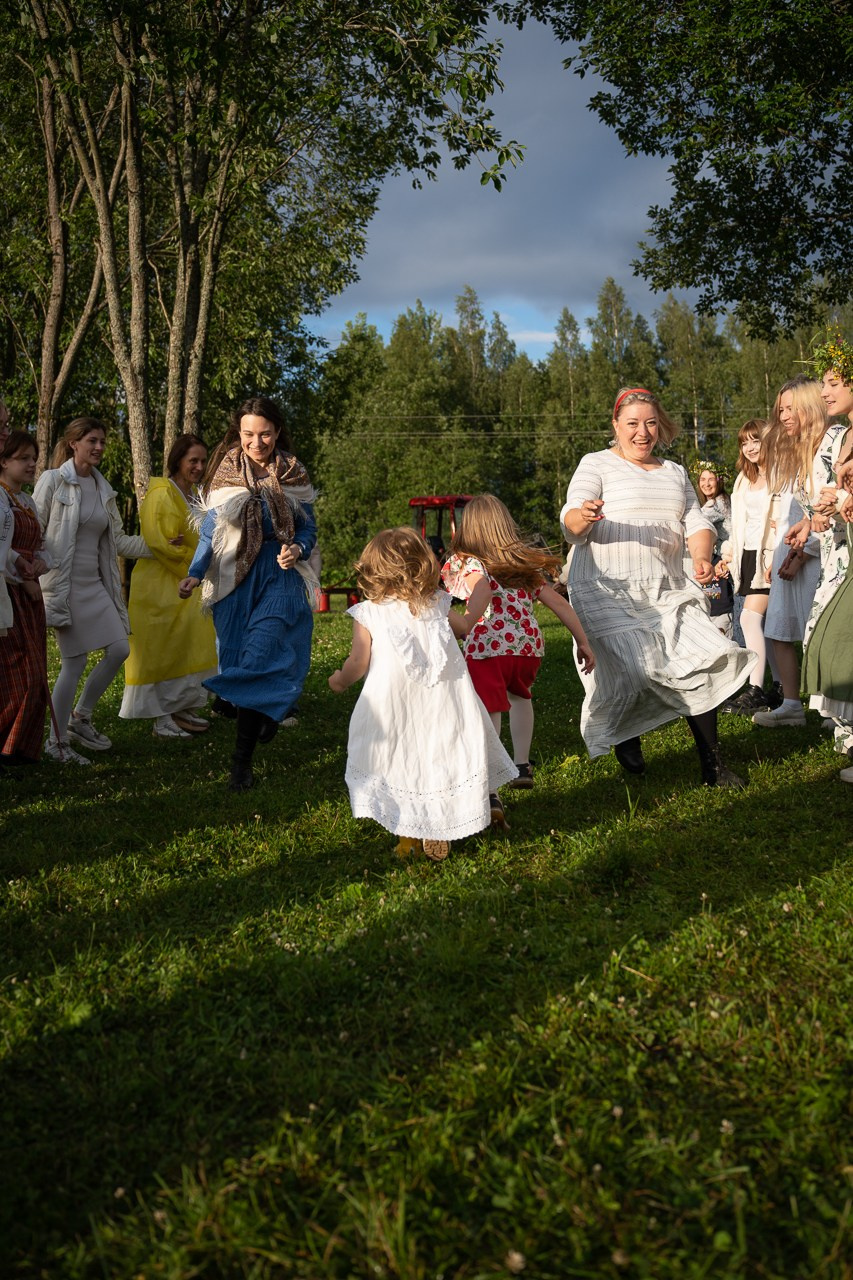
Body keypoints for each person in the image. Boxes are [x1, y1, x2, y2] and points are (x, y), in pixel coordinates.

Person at [560, 386, 752, 786]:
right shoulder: (596, 463)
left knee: (699, 661)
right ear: (616, 426)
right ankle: (627, 730)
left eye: (650, 423)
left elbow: (696, 522)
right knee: (638, 666)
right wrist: (584, 514)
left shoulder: (675, 472)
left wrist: (701, 555)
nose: (642, 432)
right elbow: (570, 521)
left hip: (667, 585)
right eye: (632, 424)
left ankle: (713, 766)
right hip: (605, 586)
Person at [328, 526, 518, 860]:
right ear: (422, 566)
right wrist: (476, 607)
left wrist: (340, 681)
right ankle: (459, 815)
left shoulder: (370, 612)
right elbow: (465, 627)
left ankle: (410, 837)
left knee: (402, 762)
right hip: (446, 702)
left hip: (396, 708)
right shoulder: (438, 603)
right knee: (443, 755)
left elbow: (358, 662)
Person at [178, 396, 318, 791]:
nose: (257, 443)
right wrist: (194, 573)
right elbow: (210, 532)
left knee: (262, 654)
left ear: (277, 431)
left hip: (279, 574)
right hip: (232, 578)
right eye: (248, 434)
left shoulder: (293, 471)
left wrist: (298, 548)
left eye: (265, 434)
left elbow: (308, 528)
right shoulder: (224, 473)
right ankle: (266, 715)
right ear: (238, 433)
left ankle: (241, 762)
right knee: (241, 660)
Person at [440, 494, 594, 808]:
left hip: (488, 648)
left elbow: (478, 587)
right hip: (527, 648)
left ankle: (491, 787)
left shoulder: (469, 564)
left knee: (491, 709)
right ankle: (522, 763)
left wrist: (469, 618)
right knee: (521, 696)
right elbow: (559, 603)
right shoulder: (522, 567)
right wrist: (583, 640)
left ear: (469, 529)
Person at [33, 418, 152, 764]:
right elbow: (33, 529)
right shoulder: (53, 481)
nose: (98, 447)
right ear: (73, 443)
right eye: (92, 441)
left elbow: (117, 541)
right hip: (62, 585)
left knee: (118, 649)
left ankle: (80, 718)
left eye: (102, 442)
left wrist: (162, 546)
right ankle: (55, 744)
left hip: (95, 586)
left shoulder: (103, 488)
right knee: (74, 662)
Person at [751, 376, 843, 728]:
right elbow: (808, 512)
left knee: (825, 632)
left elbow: (832, 507)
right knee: (780, 627)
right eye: (781, 409)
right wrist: (793, 548)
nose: (784, 416)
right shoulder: (802, 449)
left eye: (791, 408)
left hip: (829, 555)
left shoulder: (834, 442)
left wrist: (803, 551)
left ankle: (835, 707)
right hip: (802, 551)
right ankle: (792, 704)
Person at [120, 434, 218, 737]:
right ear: (177, 461)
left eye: (202, 461)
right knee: (161, 649)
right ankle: (161, 719)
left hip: (182, 581)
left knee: (185, 645)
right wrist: (194, 560)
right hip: (160, 584)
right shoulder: (162, 493)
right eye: (193, 460)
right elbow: (162, 543)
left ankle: (181, 709)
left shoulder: (191, 494)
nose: (199, 466)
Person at [718, 421, 782, 713]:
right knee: (768, 624)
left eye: (756, 440)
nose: (751, 447)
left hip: (769, 555)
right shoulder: (745, 478)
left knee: (749, 619)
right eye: (745, 442)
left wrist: (779, 549)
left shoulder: (781, 475)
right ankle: (778, 688)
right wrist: (728, 553)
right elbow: (739, 524)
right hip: (746, 555)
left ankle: (755, 689)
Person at [0, 432, 52, 765]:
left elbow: (43, 544)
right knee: (18, 675)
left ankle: (22, 749)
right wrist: (23, 568)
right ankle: (5, 749)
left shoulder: (27, 502)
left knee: (37, 673)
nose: (32, 464)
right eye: (23, 459)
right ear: (3, 461)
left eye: (33, 458)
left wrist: (41, 563)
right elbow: (3, 552)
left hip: (30, 597)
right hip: (8, 595)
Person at [690, 459, 734, 636]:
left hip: (726, 560)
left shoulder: (718, 503)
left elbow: (697, 524)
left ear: (719, 481)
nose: (706, 484)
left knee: (720, 615)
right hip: (720, 561)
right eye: (702, 479)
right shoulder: (715, 502)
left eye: (711, 479)